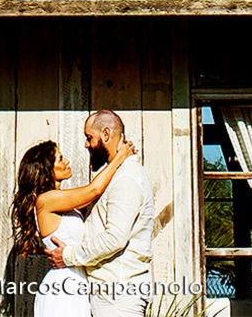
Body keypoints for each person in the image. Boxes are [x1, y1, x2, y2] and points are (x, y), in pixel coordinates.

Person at [11, 132, 136, 317]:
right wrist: (120, 157)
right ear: (47, 169)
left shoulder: (63, 202)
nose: (67, 161)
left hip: (75, 280)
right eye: (60, 158)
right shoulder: (46, 200)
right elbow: (94, 190)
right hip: (63, 285)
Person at [47, 110, 156, 317]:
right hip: (109, 294)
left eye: (89, 138)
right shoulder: (116, 175)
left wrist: (68, 255)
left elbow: (114, 238)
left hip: (118, 295)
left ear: (106, 134)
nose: (86, 144)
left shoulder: (127, 178)